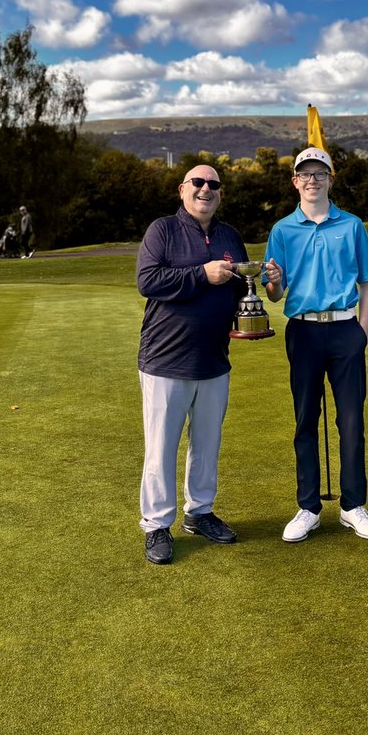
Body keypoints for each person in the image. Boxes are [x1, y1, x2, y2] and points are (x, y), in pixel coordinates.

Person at [263, 147, 368, 543]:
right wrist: (274, 282)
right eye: (305, 174)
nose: (312, 180)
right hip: (303, 331)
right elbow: (275, 294)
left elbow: (367, 283)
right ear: (295, 182)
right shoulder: (282, 230)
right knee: (305, 420)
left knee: (351, 421)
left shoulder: (352, 225)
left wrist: (362, 332)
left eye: (319, 173)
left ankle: (353, 506)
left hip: (345, 329)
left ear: (331, 179)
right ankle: (308, 508)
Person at [136, 164, 249, 565]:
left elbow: (242, 288)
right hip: (165, 359)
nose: (206, 189)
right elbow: (148, 281)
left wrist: (264, 283)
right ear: (182, 189)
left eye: (213, 184)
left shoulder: (230, 235)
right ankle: (156, 524)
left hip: (214, 359)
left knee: (207, 444)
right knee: (161, 447)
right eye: (198, 183)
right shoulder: (163, 230)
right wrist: (202, 274)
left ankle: (199, 513)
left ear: (220, 193)